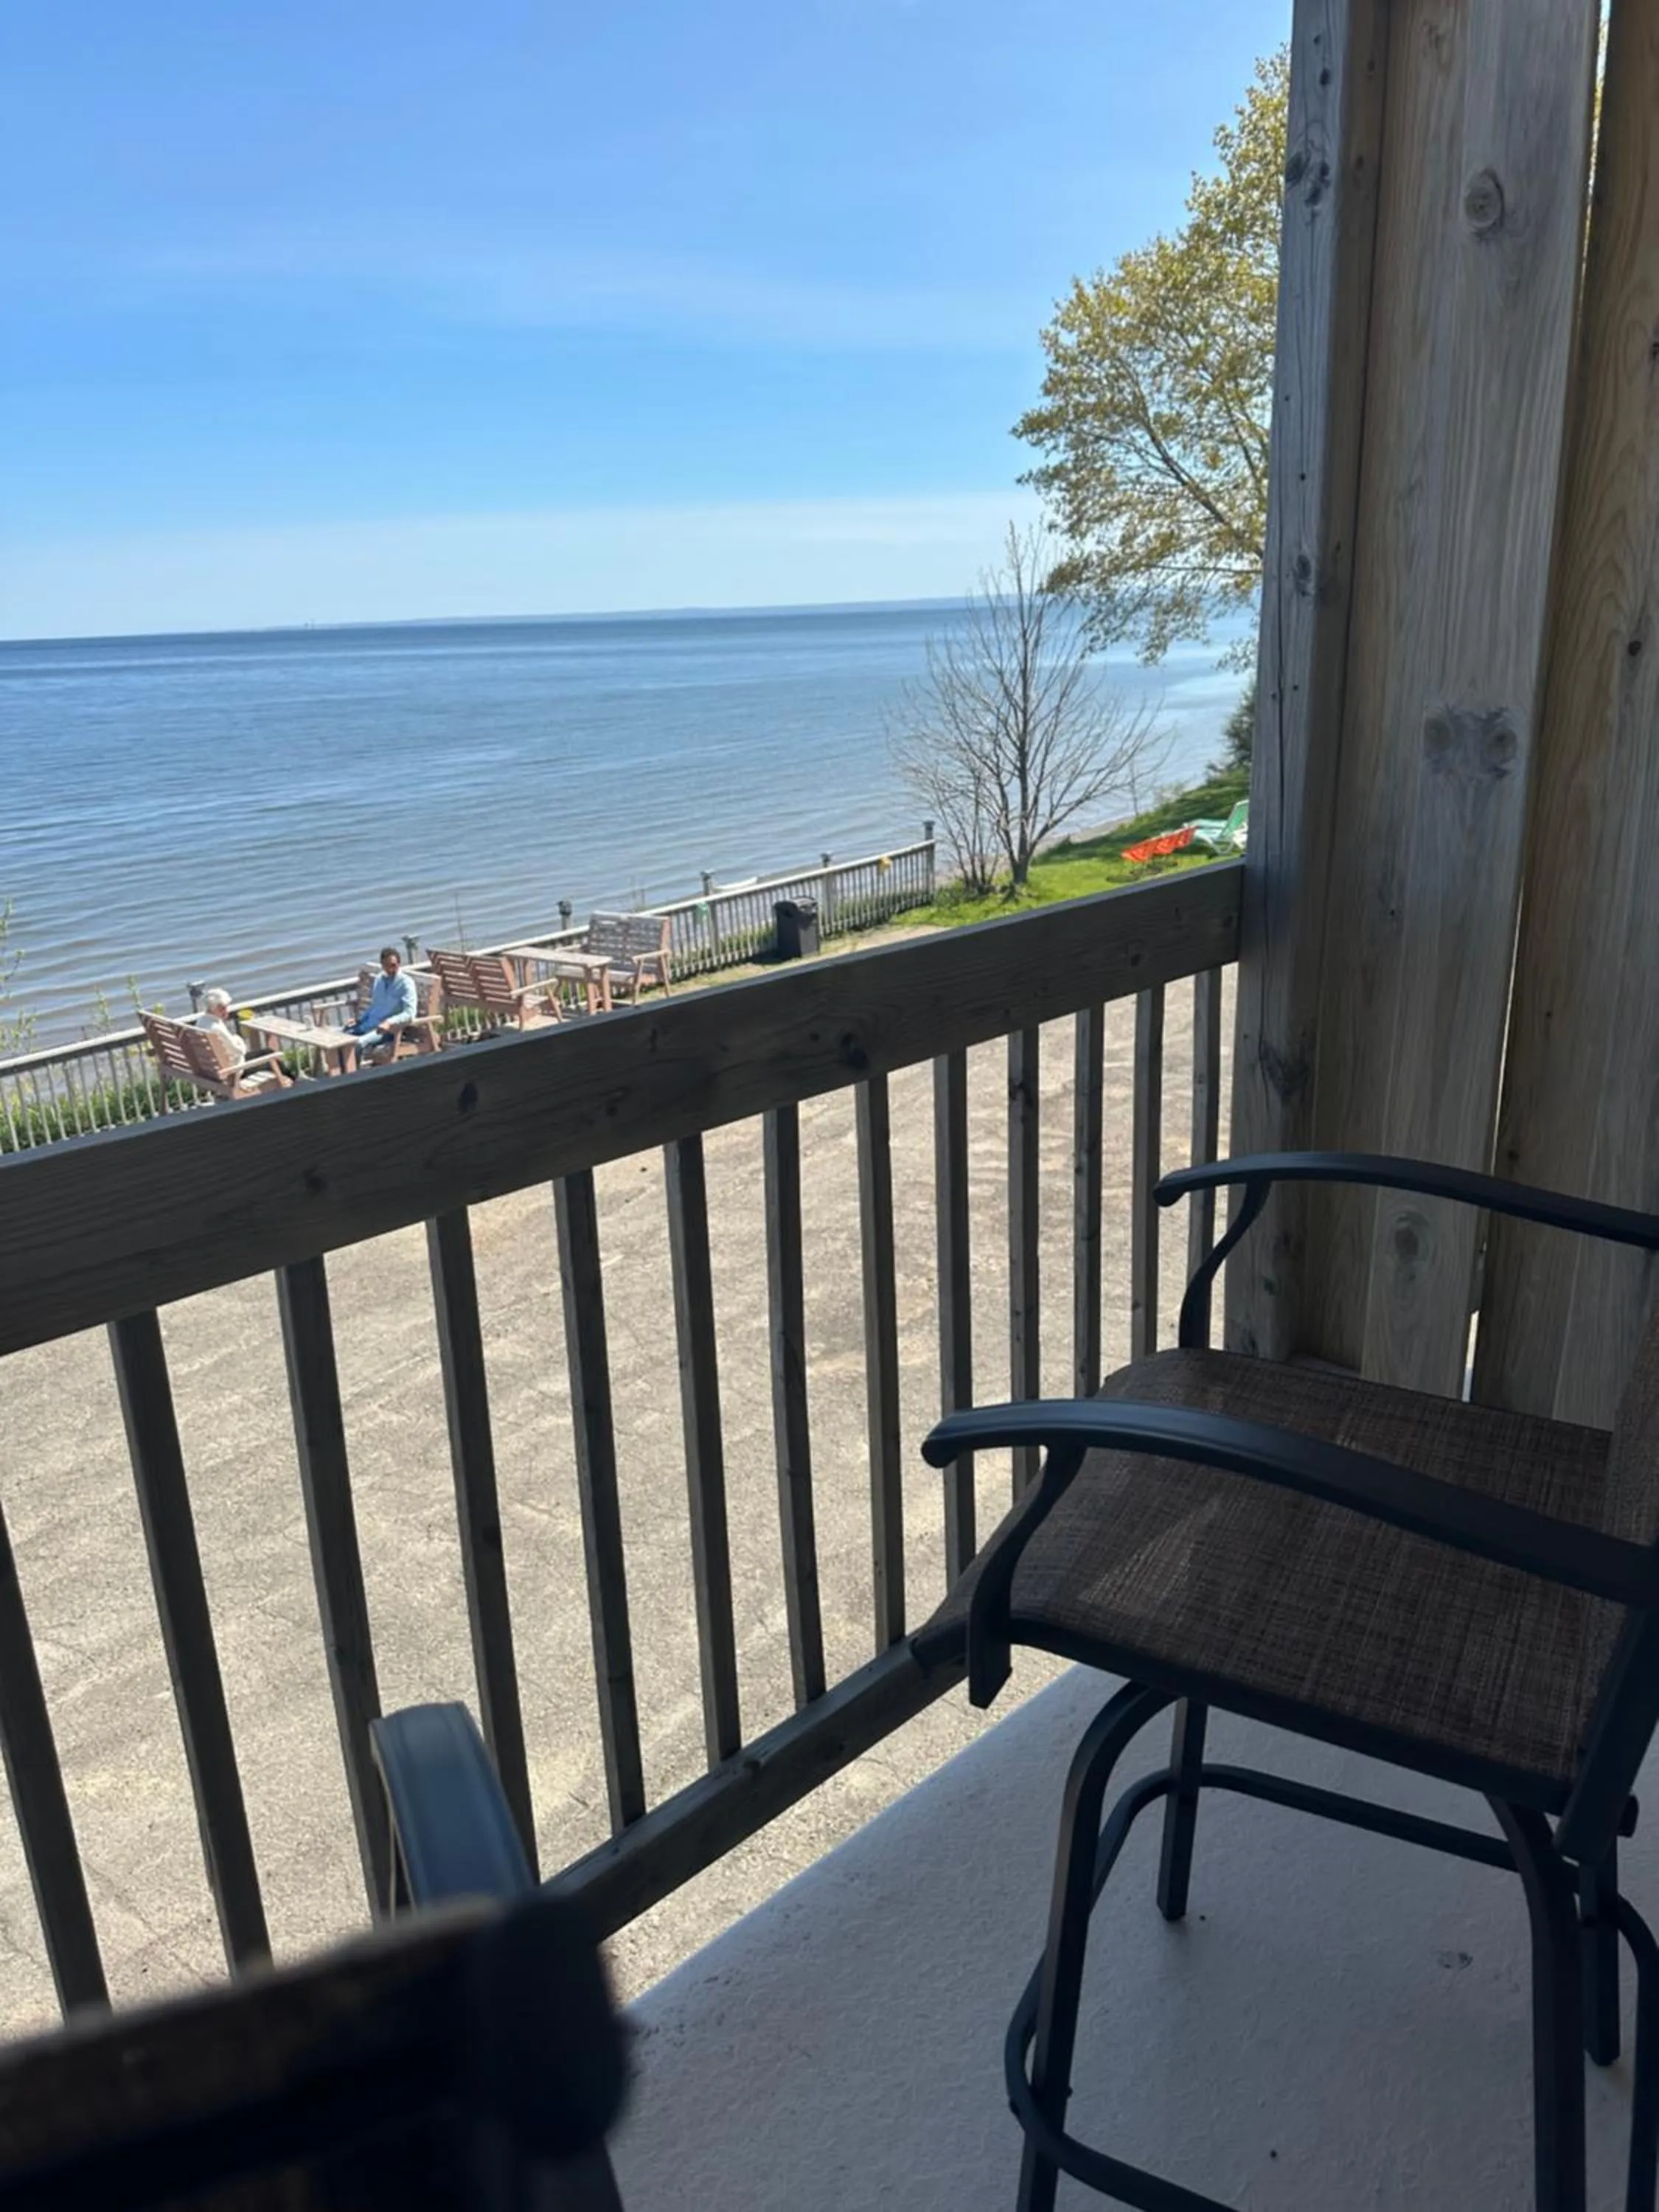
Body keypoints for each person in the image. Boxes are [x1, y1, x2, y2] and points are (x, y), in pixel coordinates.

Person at [347, 946, 418, 1062]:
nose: (390, 969)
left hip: (387, 1031)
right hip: (368, 1024)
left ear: (399, 964)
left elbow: (410, 1013)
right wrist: (359, 1019)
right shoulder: (380, 980)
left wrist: (390, 1022)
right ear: (382, 965)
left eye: (393, 965)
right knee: (340, 1038)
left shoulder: (406, 983)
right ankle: (340, 1072)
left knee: (358, 1044)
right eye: (387, 966)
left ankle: (354, 1075)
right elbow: (374, 1005)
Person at [194, 987, 248, 1067]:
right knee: (267, 1055)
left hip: (210, 1068)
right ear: (218, 1008)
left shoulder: (201, 1021)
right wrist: (239, 1039)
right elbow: (239, 1051)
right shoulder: (216, 1028)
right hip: (232, 1072)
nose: (226, 1010)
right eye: (224, 1007)